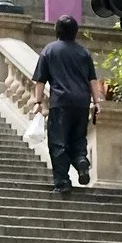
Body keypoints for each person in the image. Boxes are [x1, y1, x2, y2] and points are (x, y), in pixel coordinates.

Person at [32, 16, 98, 194]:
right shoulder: (84, 53)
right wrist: (97, 102)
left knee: (58, 142)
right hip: (82, 103)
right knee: (78, 138)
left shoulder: (50, 50)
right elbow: (92, 80)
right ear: (75, 32)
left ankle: (62, 182)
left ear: (57, 30)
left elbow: (40, 81)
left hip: (60, 102)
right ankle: (81, 160)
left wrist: (38, 102)